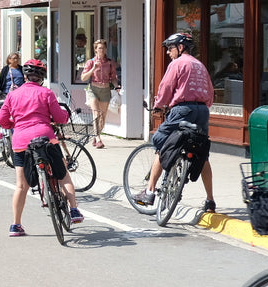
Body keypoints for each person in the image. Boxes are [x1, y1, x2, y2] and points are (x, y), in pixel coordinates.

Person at [0, 59, 83, 237]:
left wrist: (16, 122)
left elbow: (2, 120)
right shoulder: (46, 93)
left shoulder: (13, 95)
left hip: (21, 143)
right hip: (45, 139)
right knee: (63, 175)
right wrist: (65, 115)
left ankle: (16, 225)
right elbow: (59, 117)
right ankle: (74, 210)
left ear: (25, 76)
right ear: (42, 77)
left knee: (21, 186)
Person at [134, 33, 215, 212]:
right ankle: (210, 200)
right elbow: (210, 93)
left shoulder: (177, 63)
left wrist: (159, 106)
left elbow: (166, 88)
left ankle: (149, 192)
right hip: (202, 111)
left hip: (182, 110)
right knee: (201, 154)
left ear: (180, 48)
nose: (168, 53)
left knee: (161, 143)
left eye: (170, 48)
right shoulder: (200, 65)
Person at [79, 39, 119, 148]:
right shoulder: (90, 62)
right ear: (95, 50)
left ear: (106, 49)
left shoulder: (110, 63)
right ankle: (98, 138)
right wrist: (93, 69)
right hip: (93, 89)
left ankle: (95, 136)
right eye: (99, 48)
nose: (101, 50)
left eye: (103, 48)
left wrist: (117, 87)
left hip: (105, 90)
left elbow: (113, 78)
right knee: (96, 114)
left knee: (102, 116)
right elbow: (83, 77)